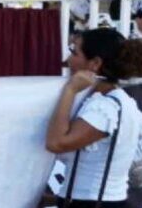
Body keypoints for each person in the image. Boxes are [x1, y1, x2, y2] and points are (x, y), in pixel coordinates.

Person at [46, 28, 142, 207]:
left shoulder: (105, 108)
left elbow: (56, 143)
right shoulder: (120, 100)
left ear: (95, 63)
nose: (67, 61)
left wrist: (70, 90)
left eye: (74, 52)